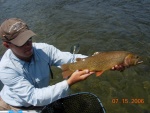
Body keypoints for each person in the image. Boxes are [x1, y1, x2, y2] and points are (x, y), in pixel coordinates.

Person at [0, 18, 124, 111]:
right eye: (22, 43)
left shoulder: (43, 49)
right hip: (15, 106)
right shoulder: (5, 68)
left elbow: (70, 59)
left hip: (42, 100)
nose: (28, 45)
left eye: (29, 39)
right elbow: (33, 97)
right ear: (7, 45)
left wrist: (104, 61)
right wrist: (69, 82)